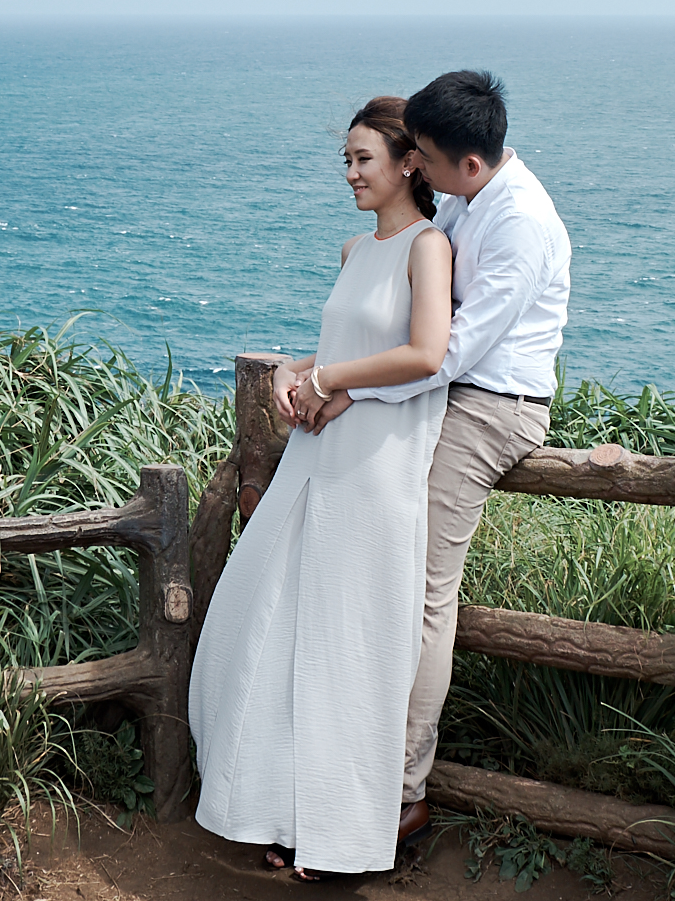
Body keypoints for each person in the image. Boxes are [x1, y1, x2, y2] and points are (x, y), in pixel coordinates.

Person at [294, 69, 570, 853]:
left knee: (418, 591)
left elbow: (447, 353)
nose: (412, 165)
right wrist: (316, 368)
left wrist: (342, 387)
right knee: (368, 570)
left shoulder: (521, 225)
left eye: (423, 157)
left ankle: (402, 791)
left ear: (468, 164)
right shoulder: (467, 197)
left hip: (492, 406)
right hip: (441, 391)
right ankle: (339, 762)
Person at [188, 96, 456, 877]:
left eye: (363, 159)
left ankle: (345, 835)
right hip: (321, 450)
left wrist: (329, 377)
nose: (350, 174)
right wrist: (294, 370)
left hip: (378, 464)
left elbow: (426, 352)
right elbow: (343, 343)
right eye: (346, 160)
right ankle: (283, 811)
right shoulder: (354, 250)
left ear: (409, 163)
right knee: (277, 625)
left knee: (352, 643)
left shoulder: (428, 246)